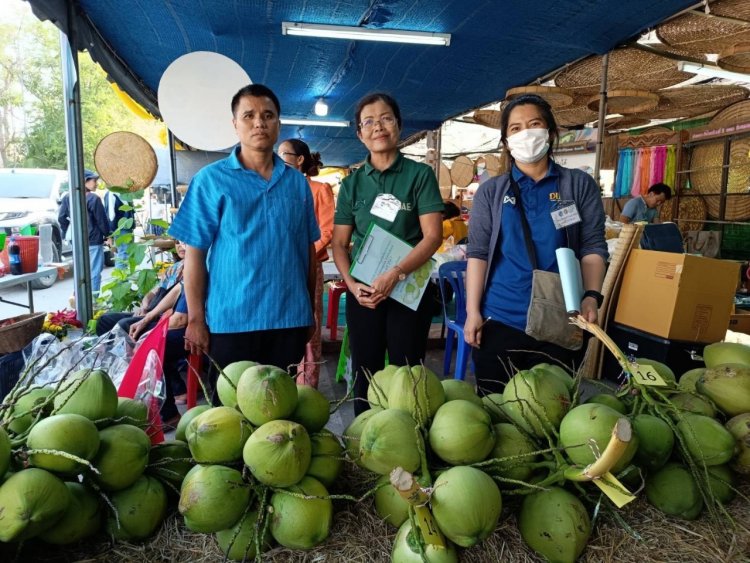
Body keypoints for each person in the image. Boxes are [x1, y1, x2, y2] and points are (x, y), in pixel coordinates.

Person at [168, 83, 319, 396]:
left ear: (279, 123)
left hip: (288, 319)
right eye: (248, 115)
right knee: (229, 419)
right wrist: (195, 319)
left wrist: (309, 313)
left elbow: (307, 253)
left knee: (278, 415)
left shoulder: (297, 185)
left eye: (268, 115)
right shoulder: (211, 180)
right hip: (229, 322)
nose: (259, 123)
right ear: (235, 124)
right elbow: (194, 257)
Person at [464, 94, 607, 394]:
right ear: (505, 141)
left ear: (551, 132)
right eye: (515, 128)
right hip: (500, 317)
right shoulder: (491, 192)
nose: (525, 133)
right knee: (495, 412)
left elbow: (592, 247)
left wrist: (592, 297)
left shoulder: (578, 185)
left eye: (534, 124)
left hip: (561, 318)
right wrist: (473, 312)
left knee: (551, 415)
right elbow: (477, 254)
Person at [332, 92, 444, 416]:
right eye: (369, 121)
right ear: (359, 133)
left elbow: (433, 236)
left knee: (407, 374)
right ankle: (363, 442)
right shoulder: (352, 184)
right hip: (364, 291)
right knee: (364, 371)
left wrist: (395, 273)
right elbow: (339, 244)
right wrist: (352, 286)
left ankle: (407, 445)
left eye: (385, 119)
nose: (377, 127)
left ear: (398, 126)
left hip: (408, 288)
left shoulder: (419, 175)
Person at [278, 138, 335, 388]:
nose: (277, 160)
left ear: (299, 160)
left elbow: (327, 231)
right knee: (280, 324)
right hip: (278, 269)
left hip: (308, 266)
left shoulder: (319, 189)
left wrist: (302, 254)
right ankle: (281, 382)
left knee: (309, 326)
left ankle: (306, 388)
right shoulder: (275, 188)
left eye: (283, 154)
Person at [95, 241, 185, 335]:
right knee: (104, 320)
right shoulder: (174, 268)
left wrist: (148, 317)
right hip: (151, 312)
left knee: (124, 325)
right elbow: (154, 291)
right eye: (177, 242)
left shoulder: (195, 271)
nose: (181, 246)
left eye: (185, 242)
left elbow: (179, 317)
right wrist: (144, 306)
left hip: (165, 317)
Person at [58, 169, 111, 294]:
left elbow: (61, 218)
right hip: (93, 241)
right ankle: (93, 303)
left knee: (79, 271)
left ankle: (79, 300)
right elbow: (102, 221)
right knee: (94, 272)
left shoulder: (67, 197)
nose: (96, 183)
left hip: (76, 241)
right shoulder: (94, 199)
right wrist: (109, 235)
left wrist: (68, 233)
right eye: (94, 180)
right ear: (84, 181)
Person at [102, 187, 135, 269]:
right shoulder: (112, 193)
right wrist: (110, 235)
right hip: (120, 228)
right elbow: (110, 215)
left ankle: (124, 279)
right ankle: (121, 280)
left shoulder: (123, 192)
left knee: (126, 254)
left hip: (126, 228)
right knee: (123, 254)